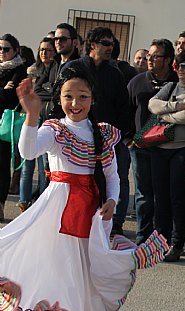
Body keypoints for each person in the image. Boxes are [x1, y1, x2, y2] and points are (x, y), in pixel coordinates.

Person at [0, 66, 167, 311]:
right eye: (68, 97)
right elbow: (28, 152)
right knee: (61, 294)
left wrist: (111, 200)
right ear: (59, 99)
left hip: (92, 222)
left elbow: (114, 174)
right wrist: (31, 114)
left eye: (82, 97)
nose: (75, 103)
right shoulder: (54, 130)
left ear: (93, 99)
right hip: (58, 222)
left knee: (91, 294)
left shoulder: (102, 133)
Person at [65, 27, 131, 237]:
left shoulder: (115, 74)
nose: (110, 47)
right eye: (105, 43)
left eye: (112, 44)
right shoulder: (73, 67)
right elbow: (61, 101)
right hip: (74, 135)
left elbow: (123, 107)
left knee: (109, 181)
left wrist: (119, 138)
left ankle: (109, 224)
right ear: (92, 44)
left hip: (104, 139)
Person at [148, 48, 185, 262]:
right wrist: (175, 106)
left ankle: (177, 243)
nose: (179, 70)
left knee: (178, 198)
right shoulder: (171, 86)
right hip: (160, 148)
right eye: (176, 66)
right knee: (160, 197)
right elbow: (152, 104)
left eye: (184, 66)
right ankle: (159, 241)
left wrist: (165, 115)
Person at [127, 38, 178, 245]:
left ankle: (162, 238)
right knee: (143, 194)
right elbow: (126, 110)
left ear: (167, 60)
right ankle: (143, 235)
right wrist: (129, 138)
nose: (149, 60)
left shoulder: (178, 82)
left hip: (168, 147)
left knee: (165, 194)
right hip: (140, 146)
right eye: (149, 56)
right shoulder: (138, 81)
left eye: (155, 56)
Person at [18, 37, 55, 213]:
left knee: (43, 168)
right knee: (27, 165)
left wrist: (43, 93)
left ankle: (39, 203)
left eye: (48, 50)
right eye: (41, 50)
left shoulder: (57, 70)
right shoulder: (32, 71)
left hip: (46, 120)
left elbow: (49, 94)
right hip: (33, 119)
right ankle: (24, 201)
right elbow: (36, 93)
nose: (44, 53)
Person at [0, 33, 27, 221]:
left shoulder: (21, 70)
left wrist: (4, 92)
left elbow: (10, 98)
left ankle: (0, 204)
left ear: (16, 50)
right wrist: (3, 89)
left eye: (6, 49)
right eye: (0, 49)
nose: (2, 52)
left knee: (2, 166)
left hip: (5, 125)